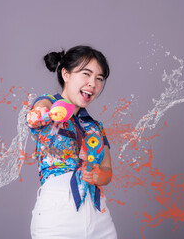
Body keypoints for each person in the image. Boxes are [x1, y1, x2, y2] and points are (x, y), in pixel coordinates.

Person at [27, 45, 117, 239]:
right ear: (66, 74)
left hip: (98, 215)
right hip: (57, 215)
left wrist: (97, 176)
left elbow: (107, 171)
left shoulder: (95, 127)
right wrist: (41, 114)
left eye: (99, 78)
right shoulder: (49, 105)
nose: (93, 83)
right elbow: (39, 110)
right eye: (86, 74)